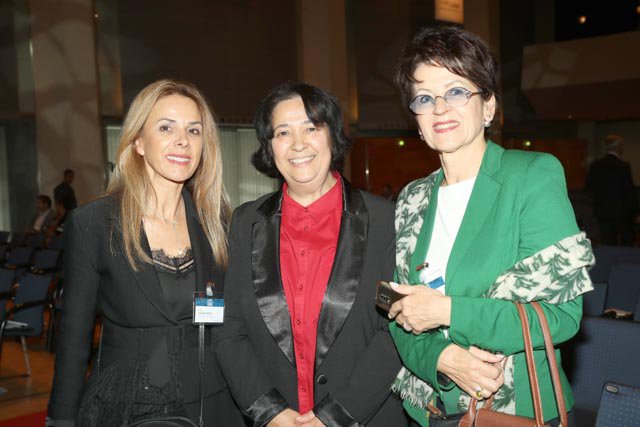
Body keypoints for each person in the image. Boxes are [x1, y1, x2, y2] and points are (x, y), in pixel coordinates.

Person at [387, 26, 594, 426]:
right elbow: (399, 310)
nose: (440, 108)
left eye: (456, 91)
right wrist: (442, 358)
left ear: (488, 107)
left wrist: (448, 312)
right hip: (429, 410)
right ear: (416, 120)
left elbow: (562, 316)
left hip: (513, 410)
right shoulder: (412, 198)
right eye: (424, 98)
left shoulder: (531, 176)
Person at [48, 79, 244, 426]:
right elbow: (74, 339)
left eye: (194, 130)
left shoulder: (219, 223)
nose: (183, 140)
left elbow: (235, 326)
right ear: (138, 141)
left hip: (212, 402)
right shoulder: (94, 223)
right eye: (166, 127)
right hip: (129, 403)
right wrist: (60, 420)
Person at [216, 82, 407, 426]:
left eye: (311, 128)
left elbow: (395, 331)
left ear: (332, 135)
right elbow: (229, 330)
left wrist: (334, 417)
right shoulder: (245, 223)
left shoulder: (385, 221)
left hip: (366, 417)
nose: (298, 144)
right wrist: (270, 411)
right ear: (269, 146)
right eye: (283, 132)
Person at [586, 134, 638, 245]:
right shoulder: (623, 166)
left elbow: (589, 187)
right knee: (627, 243)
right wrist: (635, 212)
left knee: (608, 243)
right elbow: (629, 192)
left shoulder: (595, 165)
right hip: (622, 212)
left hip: (602, 212)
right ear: (618, 146)